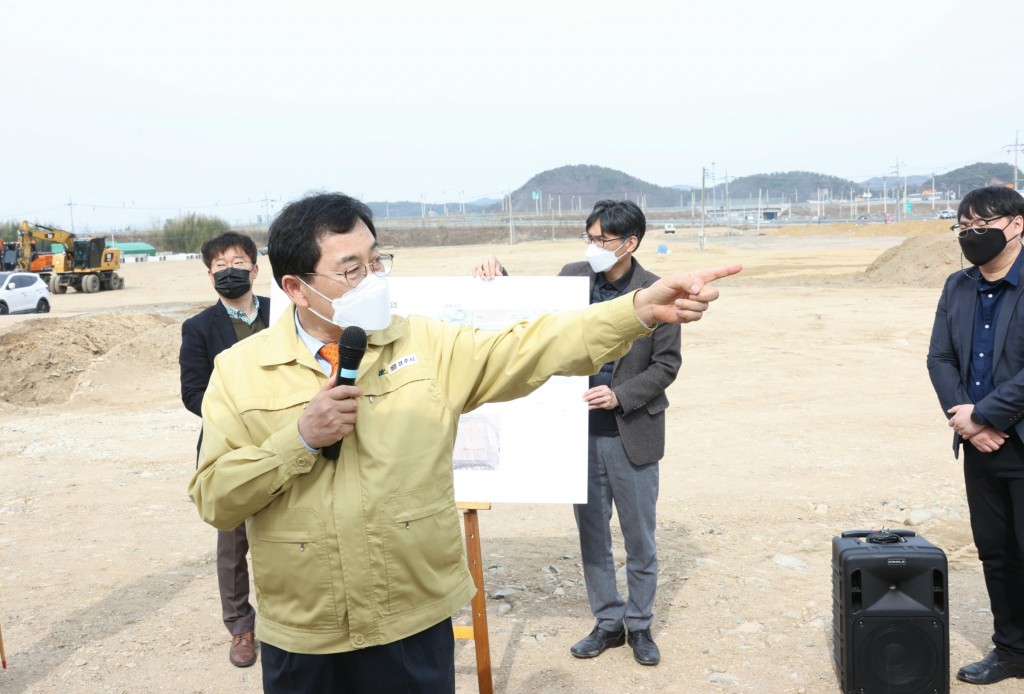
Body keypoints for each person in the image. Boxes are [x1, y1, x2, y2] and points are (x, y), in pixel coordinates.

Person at [188, 192, 740, 692]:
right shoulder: (238, 372)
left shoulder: (426, 344)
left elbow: (533, 345)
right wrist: (300, 440)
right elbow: (216, 497)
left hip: (413, 618)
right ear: (295, 288)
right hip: (305, 635)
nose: (374, 278)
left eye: (377, 260)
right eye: (352, 268)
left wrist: (637, 310)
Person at [473, 199, 679, 666]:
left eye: (602, 240)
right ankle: (607, 622)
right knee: (592, 535)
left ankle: (640, 626)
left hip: (631, 433)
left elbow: (667, 365)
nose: (593, 247)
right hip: (576, 435)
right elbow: (533, 318)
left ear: (630, 243)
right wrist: (497, 274)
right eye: (589, 237)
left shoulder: (656, 290)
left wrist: (620, 395)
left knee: (639, 537)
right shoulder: (572, 278)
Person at [927, 185, 1024, 686]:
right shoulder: (957, 286)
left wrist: (985, 414)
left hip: (1018, 440)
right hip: (980, 447)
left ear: (1017, 225)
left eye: (982, 226)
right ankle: (1011, 650)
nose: (972, 236)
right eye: (963, 228)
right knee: (996, 552)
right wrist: (964, 419)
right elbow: (939, 358)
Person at [179, 231, 270, 668]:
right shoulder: (197, 328)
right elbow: (193, 393)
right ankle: (241, 627)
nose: (228, 270)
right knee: (233, 546)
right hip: (229, 447)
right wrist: (242, 416)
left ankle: (288, 621)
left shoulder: (287, 311)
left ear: (255, 269)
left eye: (237, 262)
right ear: (209, 274)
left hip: (289, 440)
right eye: (219, 265)